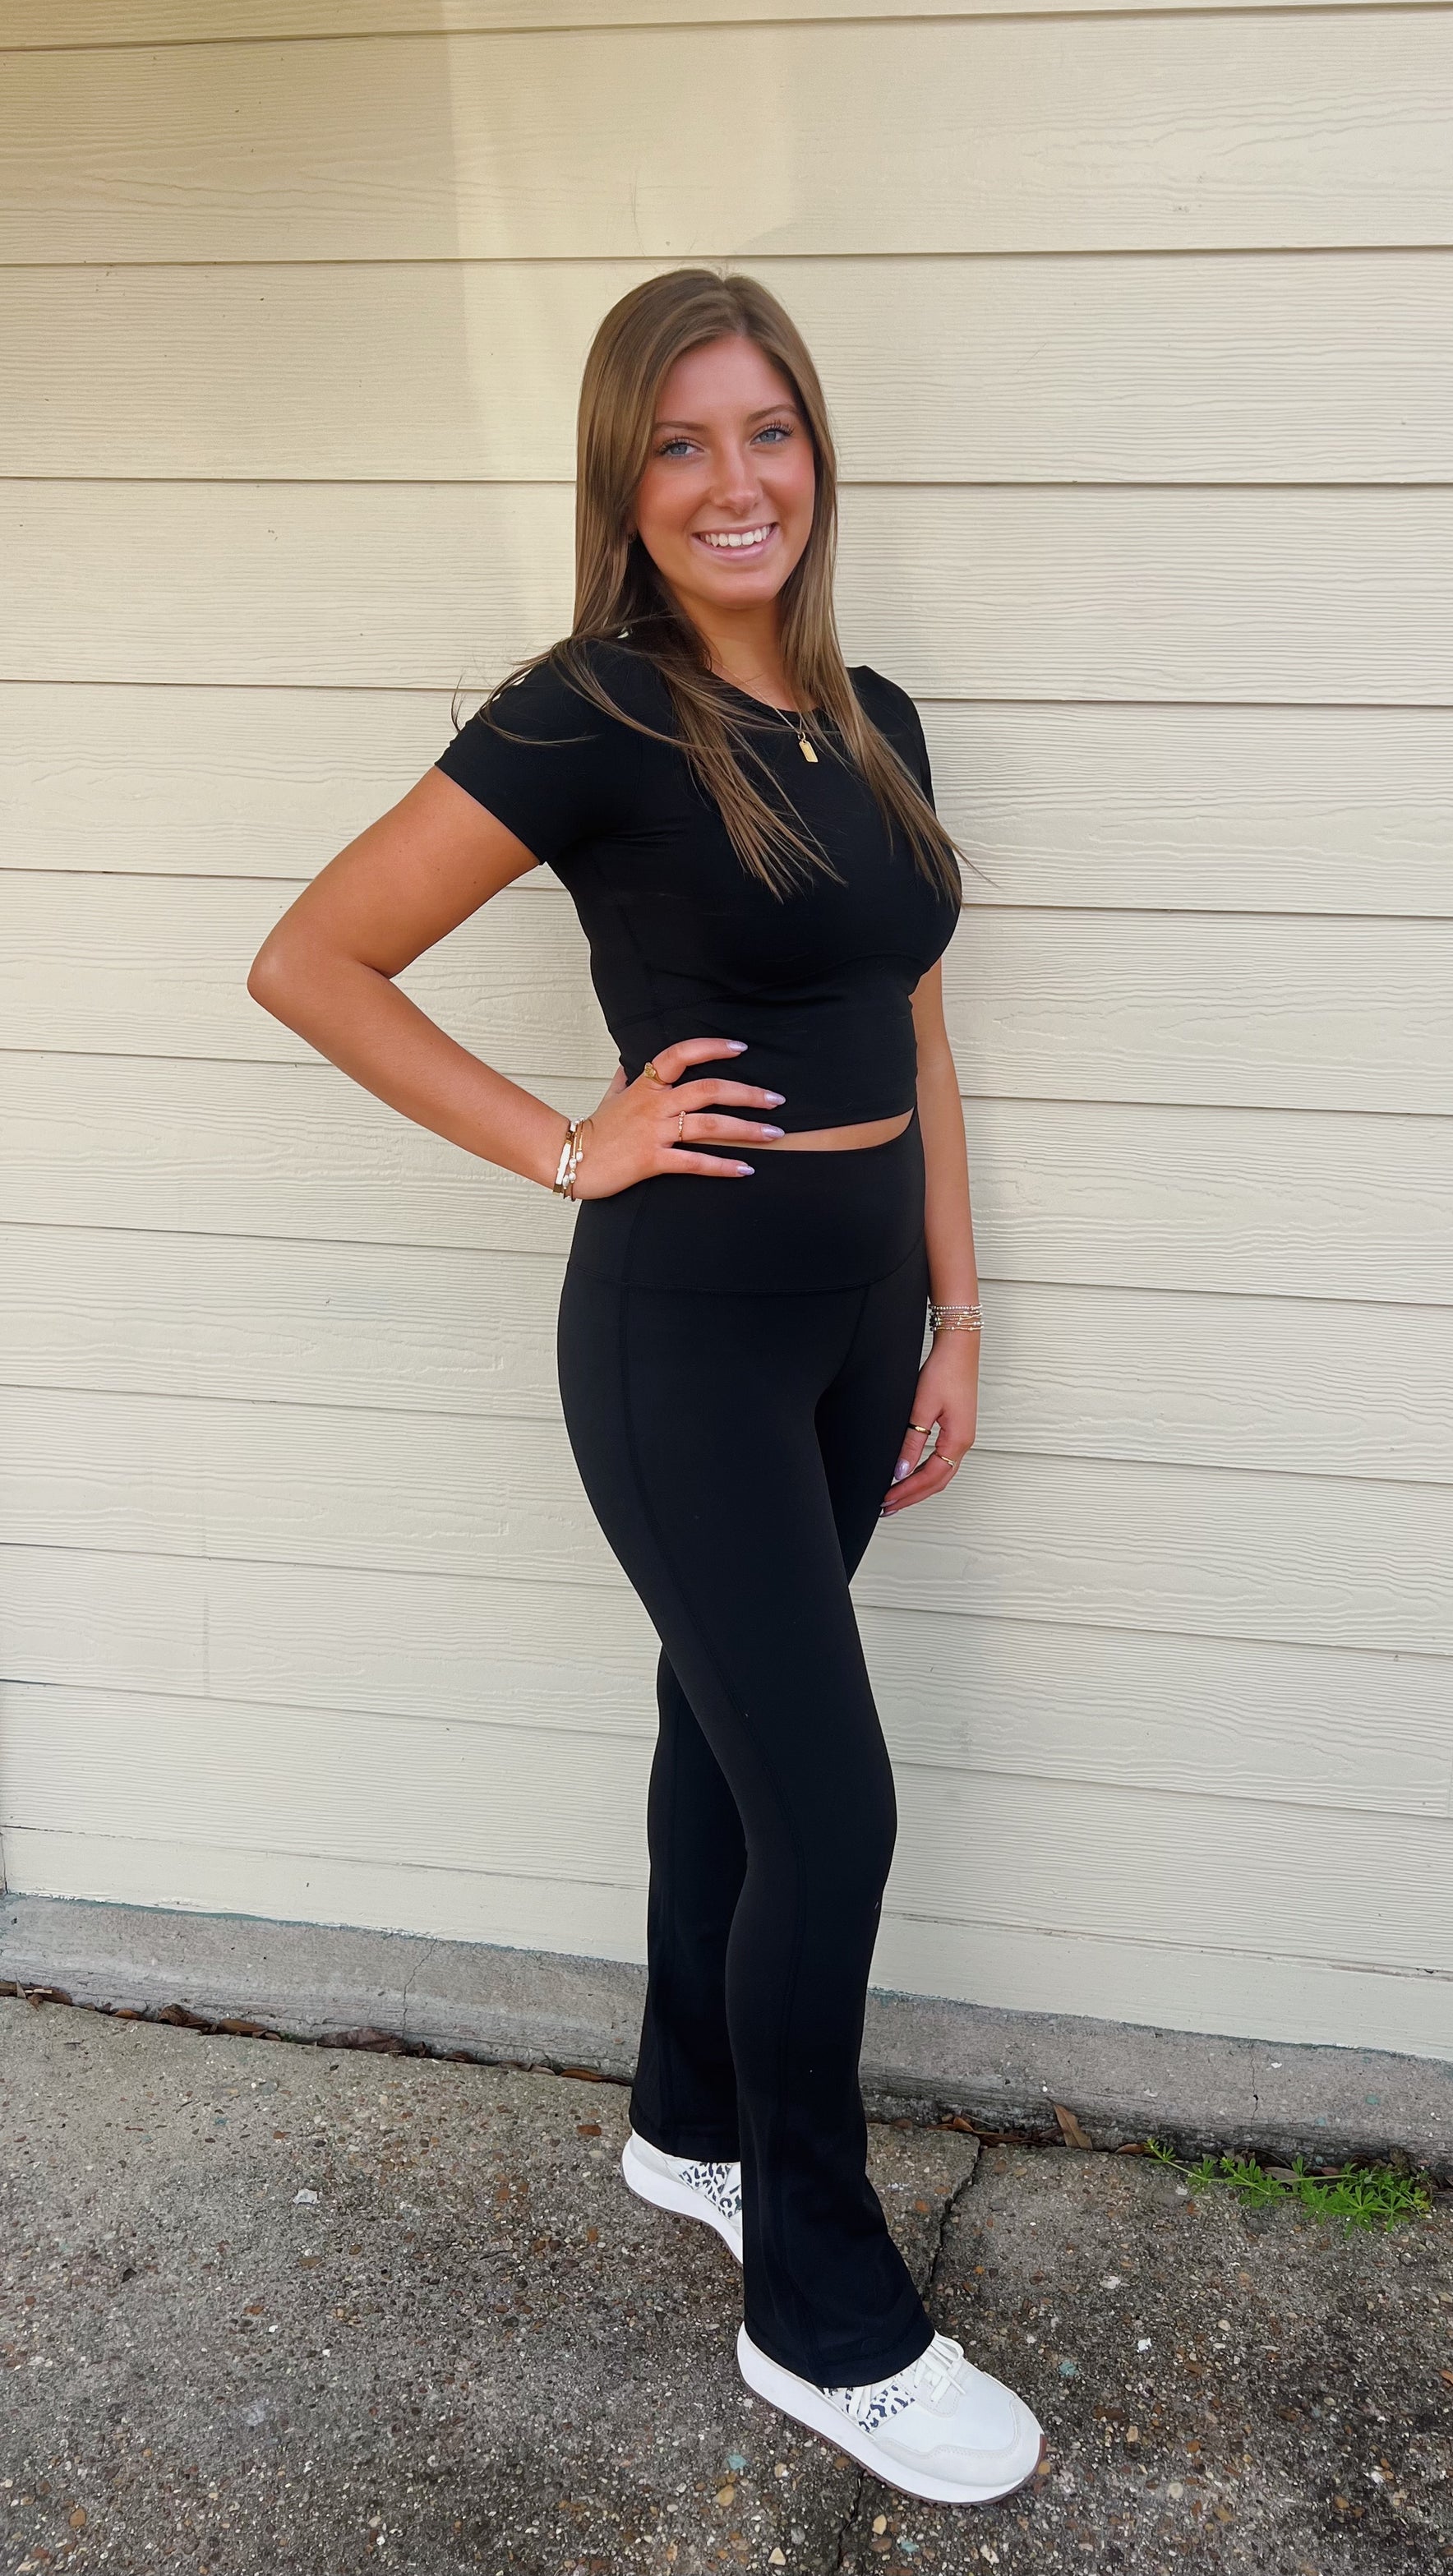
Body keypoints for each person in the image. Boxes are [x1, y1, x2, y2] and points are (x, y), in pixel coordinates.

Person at [247, 266, 1042, 2505]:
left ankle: (691, 2127)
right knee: (834, 1809)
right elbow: (313, 958)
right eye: (680, 442)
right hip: (684, 1331)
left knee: (726, 1728)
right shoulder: (588, 711)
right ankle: (824, 2317)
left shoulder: (872, 714)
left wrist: (956, 1313)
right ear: (624, 477)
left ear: (815, 451)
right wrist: (560, 1143)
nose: (732, 480)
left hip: (858, 1323)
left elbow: (915, 1030)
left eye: (765, 429)